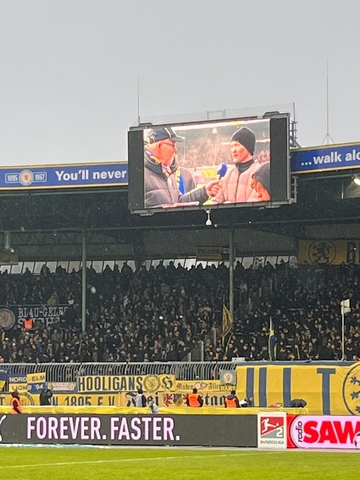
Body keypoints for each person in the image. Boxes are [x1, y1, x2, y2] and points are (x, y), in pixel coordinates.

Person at [144, 127, 220, 208]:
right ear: (159, 145)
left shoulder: (167, 173)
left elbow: (179, 202)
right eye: (172, 145)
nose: (175, 150)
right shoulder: (140, 174)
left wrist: (204, 192)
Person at [213, 127, 261, 204]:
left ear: (248, 147)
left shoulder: (259, 172)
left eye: (237, 145)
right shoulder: (227, 173)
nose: (233, 150)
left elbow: (255, 203)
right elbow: (216, 201)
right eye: (231, 146)